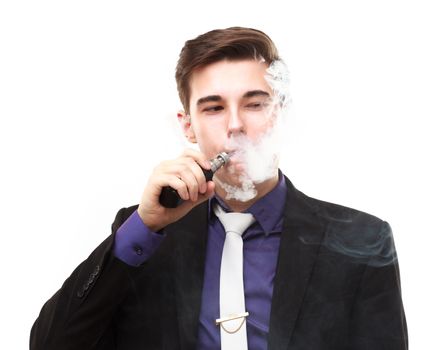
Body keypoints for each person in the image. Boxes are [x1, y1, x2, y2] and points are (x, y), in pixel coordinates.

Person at [30, 27, 408, 350]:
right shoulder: (147, 236)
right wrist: (144, 226)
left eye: (255, 104)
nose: (235, 125)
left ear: (280, 113)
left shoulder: (362, 237)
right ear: (188, 126)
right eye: (213, 108)